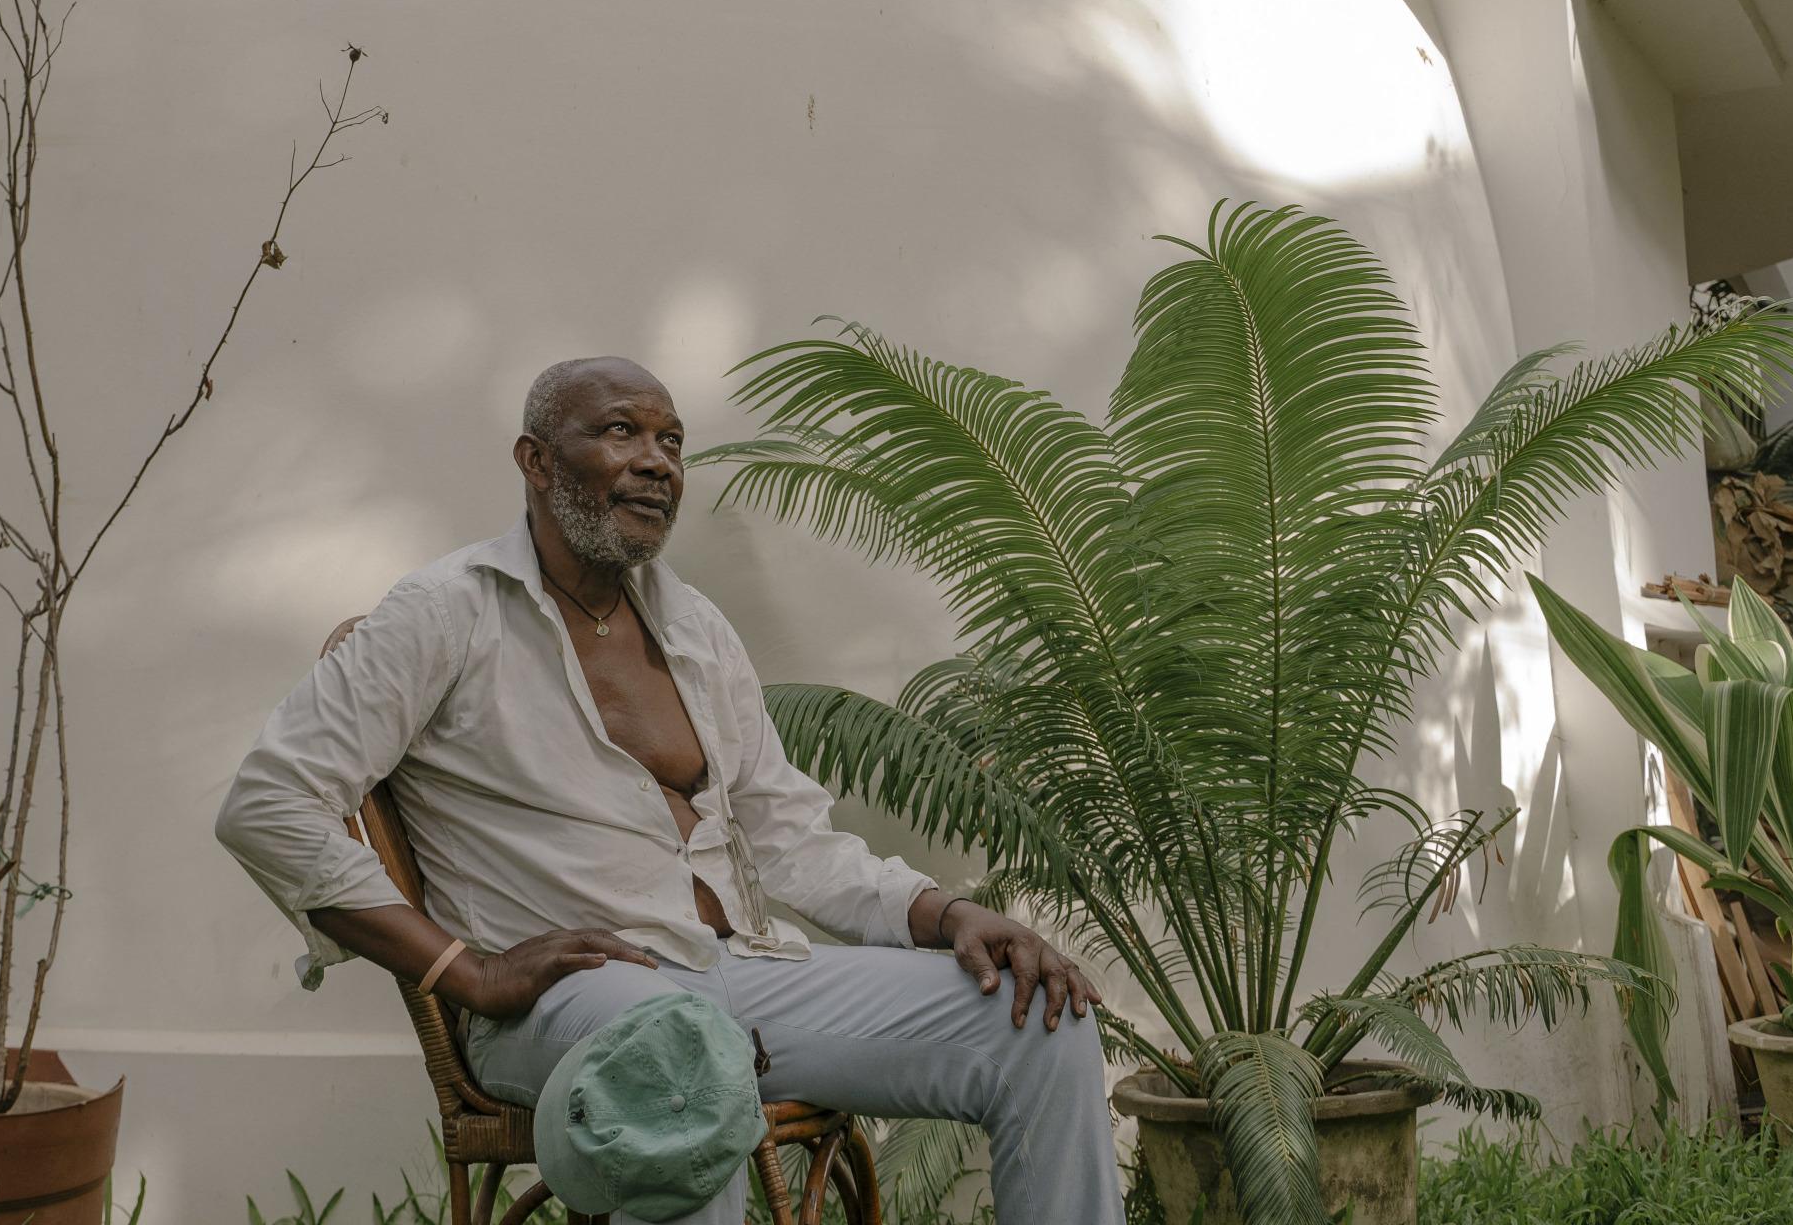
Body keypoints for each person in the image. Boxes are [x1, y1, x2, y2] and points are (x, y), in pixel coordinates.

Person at [217, 356, 1122, 1224]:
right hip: (570, 1001)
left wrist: (946, 915)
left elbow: (786, 838)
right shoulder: (444, 611)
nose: (656, 461)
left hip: (740, 971)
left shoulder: (691, 625)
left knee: (1036, 1022)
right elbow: (269, 804)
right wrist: (470, 972)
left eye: (673, 442)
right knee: (679, 1059)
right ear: (536, 460)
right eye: (621, 431)